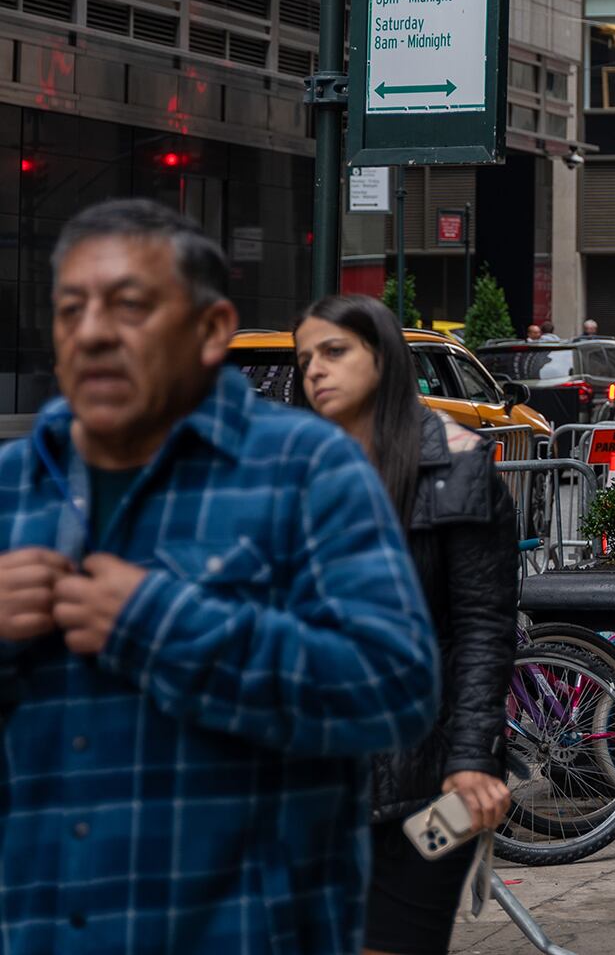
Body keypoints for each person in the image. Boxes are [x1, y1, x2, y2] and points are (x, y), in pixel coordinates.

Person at [0, 200, 439, 953]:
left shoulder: (305, 468)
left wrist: (158, 623)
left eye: (130, 305)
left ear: (210, 329)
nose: (94, 330)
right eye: (71, 308)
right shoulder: (12, 484)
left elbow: (393, 685)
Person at [297, 294, 517, 955]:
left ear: (383, 357)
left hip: (430, 777)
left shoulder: (457, 464)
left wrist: (472, 756)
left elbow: (484, 624)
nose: (314, 369)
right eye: (304, 356)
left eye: (334, 350)